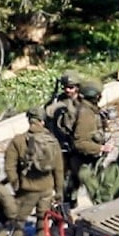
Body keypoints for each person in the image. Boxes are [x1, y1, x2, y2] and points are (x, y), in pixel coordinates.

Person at [2, 106, 64, 236]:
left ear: (29, 120)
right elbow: (59, 168)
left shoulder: (18, 141)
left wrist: (16, 184)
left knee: (18, 224)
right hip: (46, 189)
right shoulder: (52, 141)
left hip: (26, 190)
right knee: (42, 224)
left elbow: (9, 166)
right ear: (43, 121)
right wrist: (58, 191)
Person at [69, 78, 114, 198]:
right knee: (100, 196)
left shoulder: (91, 109)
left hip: (91, 162)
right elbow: (80, 143)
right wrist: (101, 148)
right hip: (83, 164)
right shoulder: (85, 113)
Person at [45, 69, 81, 200]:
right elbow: (48, 113)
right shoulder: (60, 100)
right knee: (62, 173)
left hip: (78, 142)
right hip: (63, 143)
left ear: (77, 87)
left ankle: (72, 196)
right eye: (66, 87)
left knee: (77, 174)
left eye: (71, 87)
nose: (68, 90)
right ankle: (65, 199)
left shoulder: (83, 101)